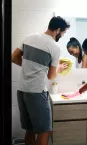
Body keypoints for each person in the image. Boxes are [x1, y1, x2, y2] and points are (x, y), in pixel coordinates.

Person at [12, 16, 70, 145]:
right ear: (58, 30)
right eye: (63, 33)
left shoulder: (29, 37)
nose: (62, 35)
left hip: (22, 91)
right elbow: (51, 76)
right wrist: (59, 69)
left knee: (30, 129)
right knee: (44, 131)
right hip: (37, 92)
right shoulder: (54, 47)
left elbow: (14, 57)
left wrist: (31, 67)